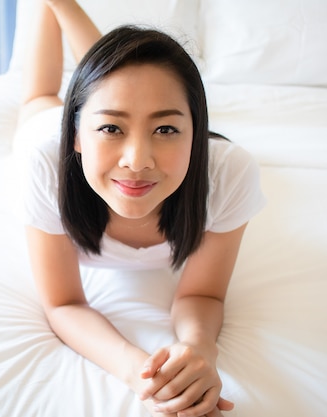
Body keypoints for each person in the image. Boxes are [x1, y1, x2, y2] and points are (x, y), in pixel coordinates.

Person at [16, 1, 266, 416]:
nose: (138, 160)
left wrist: (198, 348)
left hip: (103, 121)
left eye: (166, 128)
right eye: (110, 128)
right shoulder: (46, 166)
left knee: (119, 84)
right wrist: (138, 371)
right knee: (42, 96)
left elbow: (202, 293)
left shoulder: (228, 171)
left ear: (197, 130)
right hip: (51, 130)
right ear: (76, 134)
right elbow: (63, 304)